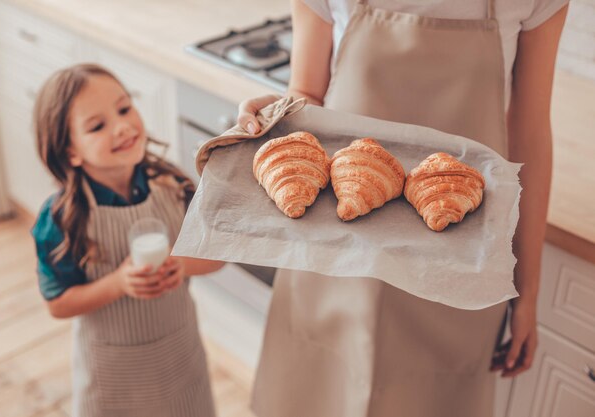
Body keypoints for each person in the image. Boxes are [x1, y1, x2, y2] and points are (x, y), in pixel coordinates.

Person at [237, 0, 569, 416]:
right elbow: (308, 94)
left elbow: (530, 135)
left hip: (456, 250)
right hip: (337, 242)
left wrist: (527, 294)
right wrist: (278, 112)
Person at [31, 63, 224, 417]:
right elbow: (58, 304)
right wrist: (119, 283)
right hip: (112, 376)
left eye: (124, 108)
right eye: (97, 126)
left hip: (180, 360)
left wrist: (180, 265)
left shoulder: (174, 187)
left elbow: (217, 256)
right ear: (70, 151)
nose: (122, 126)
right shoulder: (61, 220)